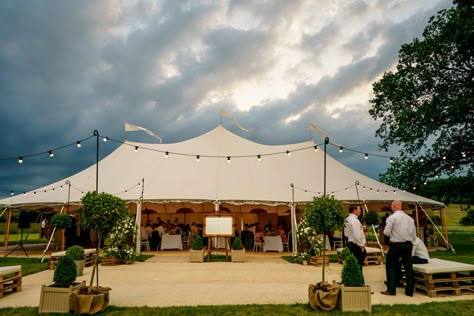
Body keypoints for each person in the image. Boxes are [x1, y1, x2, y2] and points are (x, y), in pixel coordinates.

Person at [381, 200, 417, 297]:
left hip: (396, 244)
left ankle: (391, 289)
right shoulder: (410, 219)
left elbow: (386, 233)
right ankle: (409, 291)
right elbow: (414, 234)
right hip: (408, 244)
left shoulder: (391, 218)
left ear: (393, 207)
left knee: (390, 265)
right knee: (408, 267)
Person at [344, 205, 367, 283]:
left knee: (353, 265)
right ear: (354, 210)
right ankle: (360, 284)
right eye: (359, 209)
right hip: (356, 245)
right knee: (358, 266)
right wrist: (361, 245)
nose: (360, 211)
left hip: (350, 243)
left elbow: (346, 233)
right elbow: (357, 234)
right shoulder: (354, 220)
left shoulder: (347, 219)